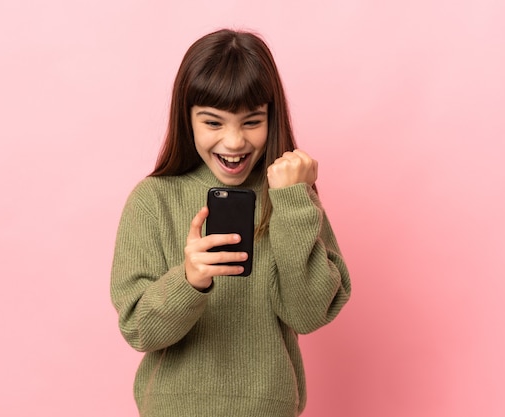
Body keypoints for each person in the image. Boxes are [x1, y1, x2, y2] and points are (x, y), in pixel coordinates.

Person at [110, 28, 351, 417]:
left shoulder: (291, 198)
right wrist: (188, 281)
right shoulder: (153, 200)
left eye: (252, 121)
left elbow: (308, 314)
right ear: (187, 120)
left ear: (272, 119)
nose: (235, 141)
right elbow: (139, 330)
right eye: (214, 122)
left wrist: (292, 200)